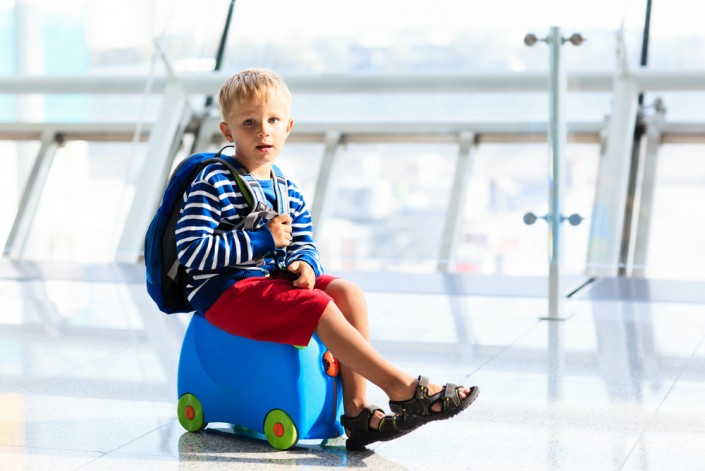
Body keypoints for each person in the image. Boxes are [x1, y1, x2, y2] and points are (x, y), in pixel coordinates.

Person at [175, 68, 479, 450]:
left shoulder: (285, 188)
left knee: (348, 293)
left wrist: (305, 265)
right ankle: (401, 388)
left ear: (288, 127)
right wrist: (261, 240)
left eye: (273, 121)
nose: (263, 131)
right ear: (227, 131)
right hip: (224, 290)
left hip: (269, 280)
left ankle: (357, 413)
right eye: (249, 122)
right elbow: (192, 250)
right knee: (316, 306)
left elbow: (304, 243)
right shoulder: (212, 182)